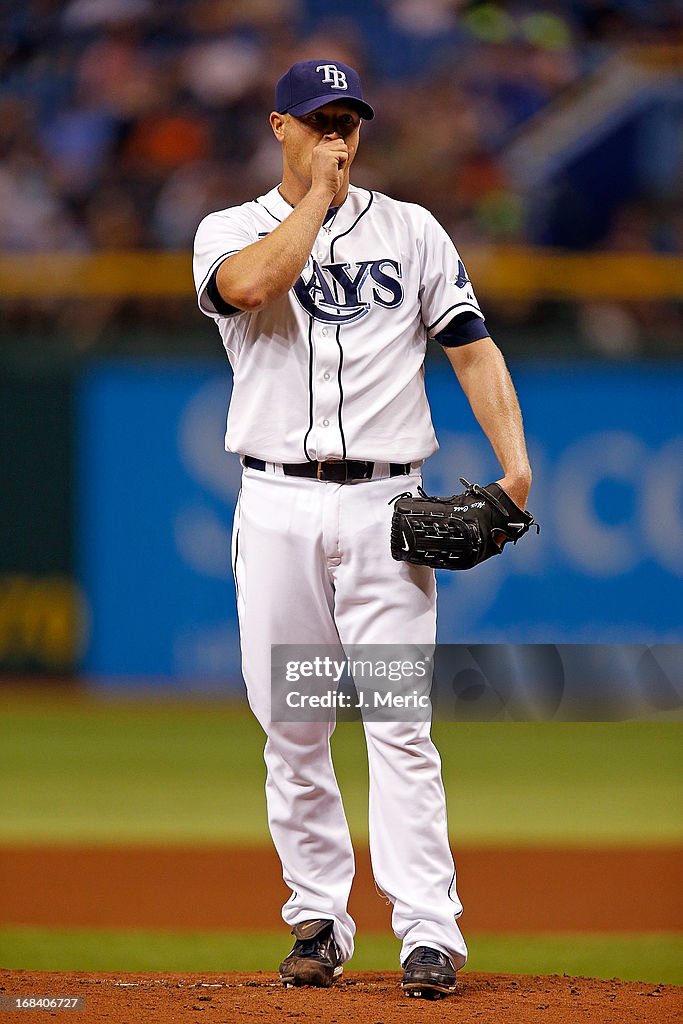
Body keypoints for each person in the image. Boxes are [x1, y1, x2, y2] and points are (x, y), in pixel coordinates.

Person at [193, 58, 532, 999]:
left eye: (349, 118)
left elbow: (469, 344)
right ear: (280, 128)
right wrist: (318, 203)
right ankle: (316, 920)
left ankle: (428, 933)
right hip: (277, 507)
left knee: (398, 722)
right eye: (318, 119)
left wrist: (514, 463)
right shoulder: (228, 230)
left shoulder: (413, 231)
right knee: (294, 725)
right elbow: (254, 286)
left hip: (387, 513)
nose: (337, 133)